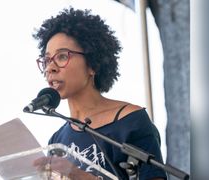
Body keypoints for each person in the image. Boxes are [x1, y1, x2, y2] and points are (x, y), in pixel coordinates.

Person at [32, 7, 167, 180]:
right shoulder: (57, 139)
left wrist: (79, 175)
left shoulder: (131, 122)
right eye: (46, 60)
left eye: (62, 56)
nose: (50, 67)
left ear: (92, 64)